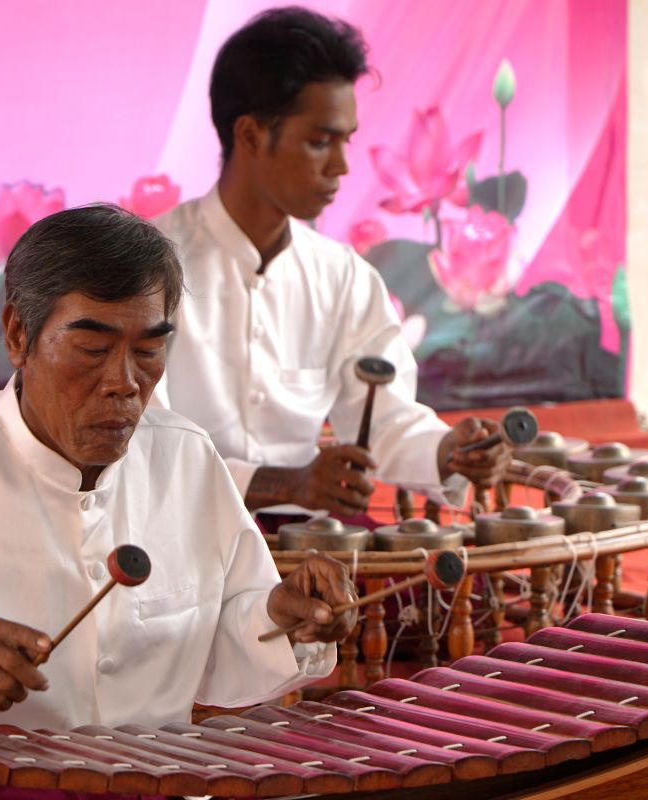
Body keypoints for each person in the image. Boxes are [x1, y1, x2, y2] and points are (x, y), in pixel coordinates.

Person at [0, 205, 357, 795]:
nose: (124, 381)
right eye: (93, 349)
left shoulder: (188, 460)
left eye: (148, 351)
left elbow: (217, 649)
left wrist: (284, 617)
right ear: (18, 335)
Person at [152, 7, 510, 523]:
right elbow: (140, 444)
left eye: (346, 141)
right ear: (251, 135)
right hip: (175, 540)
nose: (342, 166)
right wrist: (284, 483)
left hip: (308, 552)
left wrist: (449, 450)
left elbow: (382, 421)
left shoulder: (343, 276)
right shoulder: (147, 267)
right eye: (320, 141)